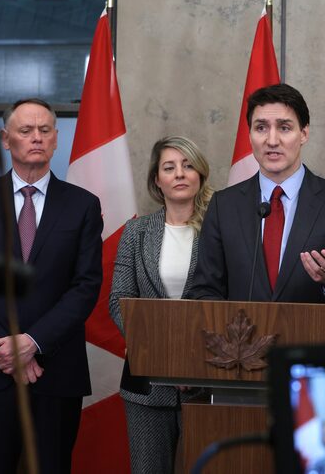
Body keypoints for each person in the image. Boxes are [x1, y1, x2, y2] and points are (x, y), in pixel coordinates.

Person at [0, 98, 103, 474]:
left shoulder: (82, 205)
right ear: (5, 138)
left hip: (55, 372)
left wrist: (33, 343)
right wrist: (5, 350)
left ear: (56, 139)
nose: (36, 138)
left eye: (45, 130)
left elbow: (85, 286)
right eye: (26, 130)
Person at [189, 83, 325, 304]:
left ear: (304, 133)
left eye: (284, 128)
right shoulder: (224, 205)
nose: (272, 140)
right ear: (249, 135)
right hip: (241, 337)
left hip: (315, 336)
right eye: (261, 128)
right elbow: (204, 291)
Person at [108, 136, 214, 474]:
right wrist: (167, 360)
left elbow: (228, 301)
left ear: (200, 174)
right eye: (169, 167)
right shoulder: (135, 232)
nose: (180, 174)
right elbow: (119, 302)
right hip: (147, 381)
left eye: (188, 166)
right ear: (157, 179)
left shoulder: (220, 230)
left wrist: (190, 363)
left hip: (207, 379)